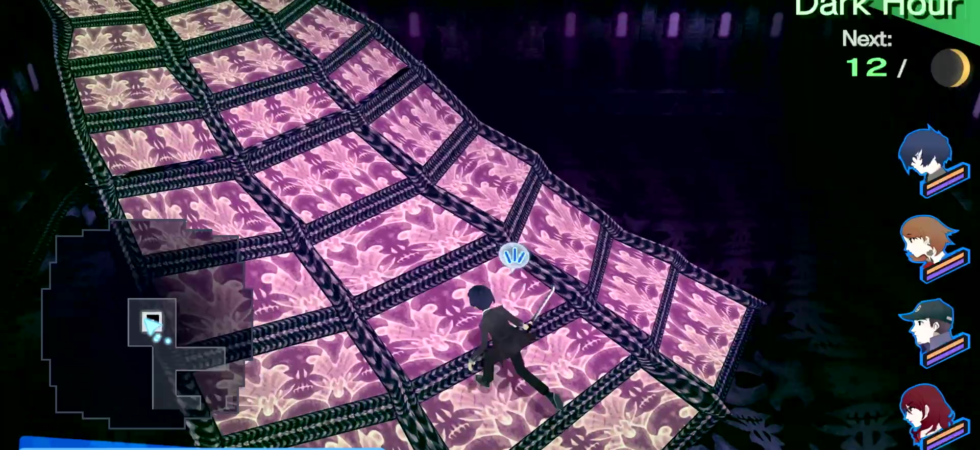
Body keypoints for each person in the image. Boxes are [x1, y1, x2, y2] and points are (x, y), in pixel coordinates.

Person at [466, 285, 563, 410]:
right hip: (515, 342)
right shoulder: (501, 310)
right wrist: (525, 326)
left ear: (475, 305)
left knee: (488, 356)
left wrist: (473, 359)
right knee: (522, 371)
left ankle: (486, 379)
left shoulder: (484, 323)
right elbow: (517, 322)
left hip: (502, 349)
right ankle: (548, 394)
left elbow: (484, 345)